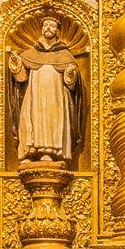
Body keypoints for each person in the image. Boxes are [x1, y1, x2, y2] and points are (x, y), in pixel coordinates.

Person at [10, 18, 83, 163]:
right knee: (31, 118)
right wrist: (16, 65)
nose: (48, 27)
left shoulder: (65, 55)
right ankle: (29, 152)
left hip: (55, 96)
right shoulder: (30, 53)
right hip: (34, 94)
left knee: (52, 119)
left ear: (58, 31)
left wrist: (70, 74)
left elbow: (72, 86)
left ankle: (49, 152)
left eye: (52, 25)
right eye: (45, 25)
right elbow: (21, 78)